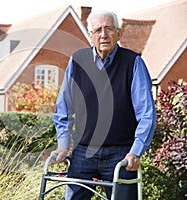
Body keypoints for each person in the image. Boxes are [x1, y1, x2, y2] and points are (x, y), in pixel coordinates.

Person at [51, 10, 156, 199]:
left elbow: (146, 113)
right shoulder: (77, 62)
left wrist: (136, 152)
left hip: (121, 153)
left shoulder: (133, 63)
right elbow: (63, 109)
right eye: (98, 30)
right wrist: (63, 145)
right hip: (84, 150)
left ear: (118, 33)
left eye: (109, 29)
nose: (103, 35)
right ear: (90, 35)